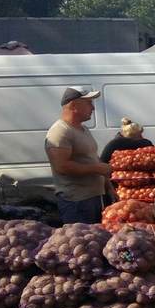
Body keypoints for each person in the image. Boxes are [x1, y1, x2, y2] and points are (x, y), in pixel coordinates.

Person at [45, 87, 112, 224]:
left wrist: (108, 186)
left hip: (94, 197)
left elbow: (92, 158)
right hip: (76, 202)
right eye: (89, 103)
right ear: (74, 106)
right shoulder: (60, 132)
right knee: (82, 236)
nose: (93, 108)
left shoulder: (83, 129)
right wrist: (97, 169)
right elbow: (62, 166)